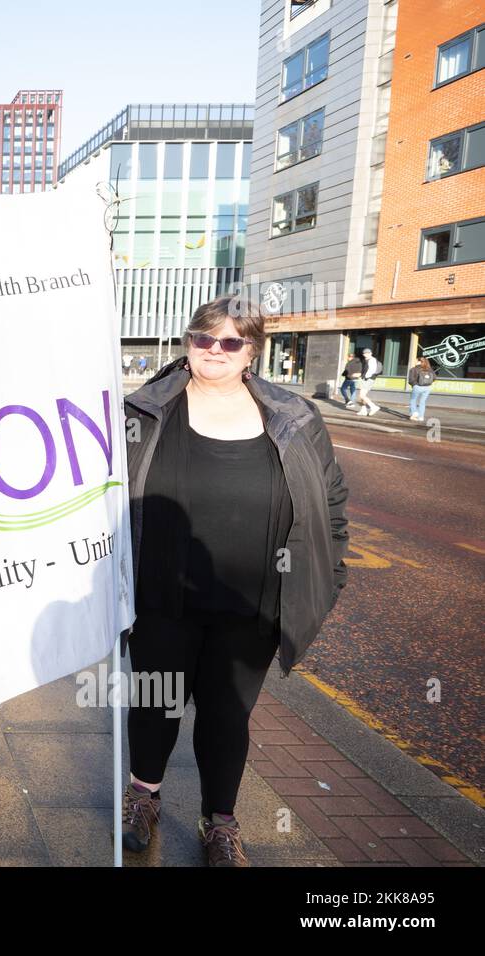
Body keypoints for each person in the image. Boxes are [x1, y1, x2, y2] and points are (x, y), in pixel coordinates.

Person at [122, 294, 349, 867]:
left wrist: (329, 575)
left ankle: (219, 820)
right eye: (204, 338)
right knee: (155, 704)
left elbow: (331, 502)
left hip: (253, 603)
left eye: (231, 341)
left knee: (227, 717)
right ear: (187, 342)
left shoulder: (296, 416)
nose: (214, 351)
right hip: (160, 597)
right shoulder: (142, 412)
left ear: (252, 350)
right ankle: (143, 796)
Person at [406, 355, 436, 423]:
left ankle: (414, 412)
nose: (415, 361)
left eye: (416, 360)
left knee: (413, 400)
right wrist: (428, 383)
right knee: (422, 402)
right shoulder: (429, 369)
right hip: (427, 388)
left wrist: (414, 385)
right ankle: (421, 417)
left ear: (419, 361)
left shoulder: (414, 369)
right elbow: (434, 377)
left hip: (417, 387)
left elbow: (410, 380)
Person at [355, 347, 382, 417]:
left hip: (368, 379)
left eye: (367, 353)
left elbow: (371, 370)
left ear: (371, 353)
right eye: (364, 353)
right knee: (361, 396)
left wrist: (365, 377)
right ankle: (363, 410)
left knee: (362, 395)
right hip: (365, 379)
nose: (366, 354)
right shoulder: (365, 360)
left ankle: (373, 407)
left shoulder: (372, 360)